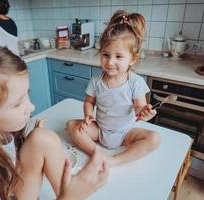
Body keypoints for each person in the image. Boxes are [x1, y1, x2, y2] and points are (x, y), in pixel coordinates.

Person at [0, 40, 108, 200]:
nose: (31, 107)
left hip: (8, 191)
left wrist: (25, 140)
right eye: (16, 104)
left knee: (41, 137)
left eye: (27, 96)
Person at [66, 10, 161, 167]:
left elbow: (139, 107)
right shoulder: (96, 80)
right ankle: (98, 154)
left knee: (154, 138)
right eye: (105, 55)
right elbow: (89, 101)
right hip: (100, 130)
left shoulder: (135, 82)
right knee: (71, 126)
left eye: (118, 56)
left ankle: (115, 160)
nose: (110, 62)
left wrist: (144, 111)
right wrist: (88, 116)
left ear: (133, 59)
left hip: (126, 134)